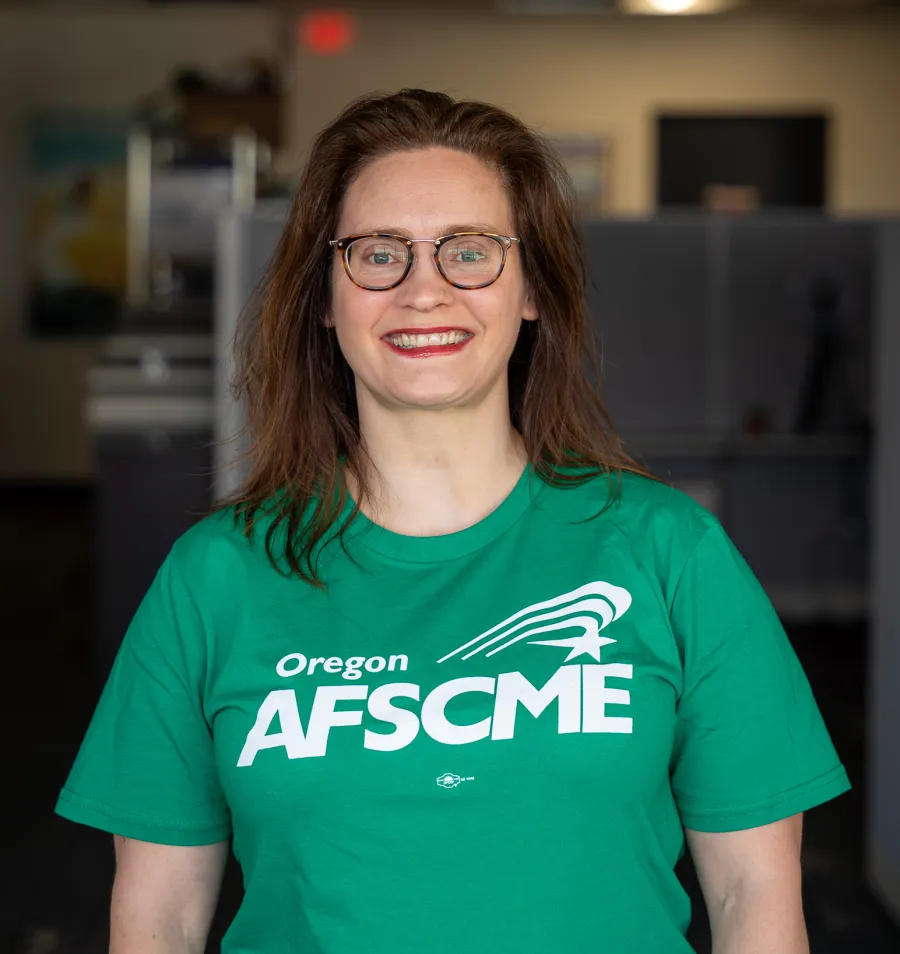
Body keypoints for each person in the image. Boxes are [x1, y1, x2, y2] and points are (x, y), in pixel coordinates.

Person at [56, 88, 850, 954]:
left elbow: (754, 893)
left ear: (533, 289)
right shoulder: (217, 575)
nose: (424, 290)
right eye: (377, 253)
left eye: (470, 252)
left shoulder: (668, 551)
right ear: (326, 296)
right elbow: (158, 915)